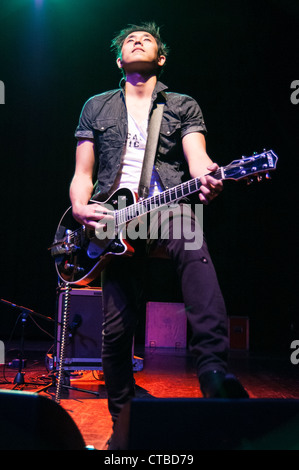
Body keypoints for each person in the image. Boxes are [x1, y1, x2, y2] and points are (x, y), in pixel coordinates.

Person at [69, 22, 248, 431]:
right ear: (119, 59)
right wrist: (79, 205)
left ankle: (214, 373)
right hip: (112, 221)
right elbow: (83, 171)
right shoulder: (96, 106)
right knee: (115, 331)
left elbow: (197, 156)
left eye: (147, 39)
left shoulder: (182, 104)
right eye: (129, 40)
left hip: (164, 204)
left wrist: (210, 176)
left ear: (161, 58)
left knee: (191, 234)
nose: (137, 41)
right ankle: (124, 424)